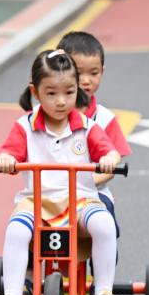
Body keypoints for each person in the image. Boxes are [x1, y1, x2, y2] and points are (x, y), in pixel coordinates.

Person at [0, 49, 123, 295]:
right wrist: (6, 160)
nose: (61, 101)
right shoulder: (24, 126)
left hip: (80, 200)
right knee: (17, 230)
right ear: (35, 91)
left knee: (104, 225)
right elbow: (7, 152)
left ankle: (103, 291)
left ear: (76, 90)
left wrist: (108, 159)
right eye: (51, 93)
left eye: (69, 93)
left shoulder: (86, 126)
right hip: (37, 202)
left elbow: (110, 151)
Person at [56, 31, 131, 236]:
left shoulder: (105, 119)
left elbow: (111, 166)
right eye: (79, 73)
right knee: (29, 226)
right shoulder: (45, 116)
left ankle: (103, 268)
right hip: (51, 194)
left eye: (94, 73)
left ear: (102, 72)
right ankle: (27, 267)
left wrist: (85, 181)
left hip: (94, 195)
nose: (87, 81)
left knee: (107, 225)